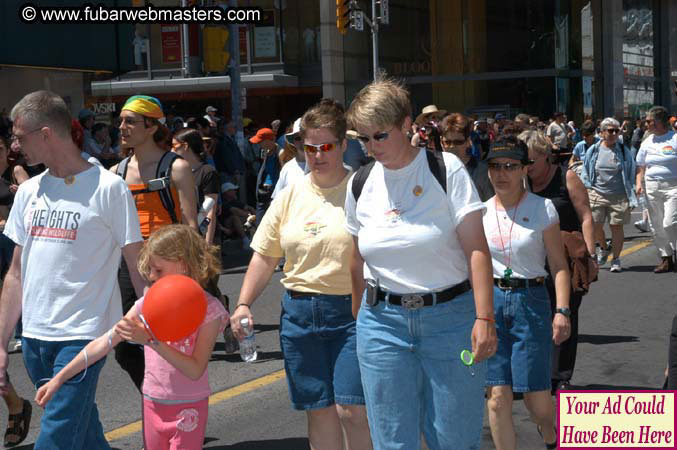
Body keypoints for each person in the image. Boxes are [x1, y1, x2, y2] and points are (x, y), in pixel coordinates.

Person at [345, 78, 496, 450]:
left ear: (406, 125)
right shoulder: (360, 183)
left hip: (450, 319)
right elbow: (355, 255)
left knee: (454, 439)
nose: (370, 147)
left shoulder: (445, 171)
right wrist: (360, 314)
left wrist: (484, 318)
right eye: (362, 138)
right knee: (392, 441)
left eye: (379, 136)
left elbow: (477, 249)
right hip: (382, 324)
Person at [0, 90, 145, 449]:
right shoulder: (28, 191)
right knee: (84, 432)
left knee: (57, 436)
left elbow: (136, 263)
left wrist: (159, 330)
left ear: (46, 134)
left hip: (83, 338)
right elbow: (16, 272)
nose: (15, 147)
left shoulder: (109, 189)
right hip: (35, 338)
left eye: (20, 137)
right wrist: (1, 341)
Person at [230, 99, 372, 450]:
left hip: (352, 313)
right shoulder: (290, 194)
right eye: (310, 148)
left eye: (326, 147)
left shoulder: (363, 191)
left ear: (343, 145)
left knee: (352, 410)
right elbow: (264, 255)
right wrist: (244, 303)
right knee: (319, 410)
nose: (318, 155)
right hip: (299, 315)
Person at [36, 224, 228, 449]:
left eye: (158, 270)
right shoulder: (149, 303)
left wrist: (150, 341)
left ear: (183, 265)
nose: (152, 277)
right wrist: (59, 378)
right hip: (152, 402)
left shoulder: (209, 309)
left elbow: (195, 369)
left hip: (189, 407)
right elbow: (104, 342)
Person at [482, 136, 571, 450]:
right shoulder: (478, 213)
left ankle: (551, 438)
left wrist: (562, 311)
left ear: (524, 169)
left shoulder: (542, 208)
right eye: (495, 166)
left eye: (510, 166)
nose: (502, 173)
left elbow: (559, 266)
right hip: (490, 304)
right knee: (496, 398)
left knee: (537, 403)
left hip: (530, 303)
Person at [111, 95, 198, 391]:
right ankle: (157, 396)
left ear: (151, 127)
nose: (122, 127)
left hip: (169, 265)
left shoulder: (176, 168)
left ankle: (180, 406)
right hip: (129, 265)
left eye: (130, 121)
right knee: (124, 347)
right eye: (121, 121)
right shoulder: (116, 173)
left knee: (169, 340)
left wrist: (193, 273)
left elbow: (190, 225)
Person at [521, 129, 597, 392]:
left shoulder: (567, 177)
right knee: (535, 315)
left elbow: (586, 215)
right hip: (533, 256)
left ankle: (561, 376)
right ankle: (536, 373)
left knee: (565, 313)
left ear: (545, 156)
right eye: (524, 162)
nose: (527, 167)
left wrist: (590, 254)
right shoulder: (521, 181)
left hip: (566, 256)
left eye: (531, 161)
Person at [579, 117, 637, 272]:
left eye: (616, 131)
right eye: (610, 131)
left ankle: (616, 259)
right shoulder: (594, 149)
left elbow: (631, 170)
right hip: (597, 193)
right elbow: (586, 169)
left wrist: (632, 192)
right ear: (602, 132)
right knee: (596, 225)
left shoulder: (624, 150)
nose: (613, 134)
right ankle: (604, 248)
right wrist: (587, 188)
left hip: (619, 195)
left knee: (616, 227)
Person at [636, 106, 677, 272]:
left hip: (673, 186)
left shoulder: (674, 138)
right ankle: (666, 258)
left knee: (670, 222)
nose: (646, 124)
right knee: (656, 225)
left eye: (649, 121)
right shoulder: (647, 142)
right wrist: (639, 183)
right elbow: (641, 166)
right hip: (652, 186)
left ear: (659, 121)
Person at [171, 128, 220, 245]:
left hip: (201, 233)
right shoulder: (174, 172)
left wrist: (208, 243)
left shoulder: (207, 171)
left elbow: (210, 209)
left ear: (185, 146)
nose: (171, 150)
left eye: (174, 145)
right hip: (179, 233)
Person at [439, 113, 494, 201]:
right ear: (441, 142)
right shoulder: (434, 170)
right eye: (447, 142)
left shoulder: (482, 171)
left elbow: (491, 204)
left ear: (468, 142)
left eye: (458, 142)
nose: (452, 147)